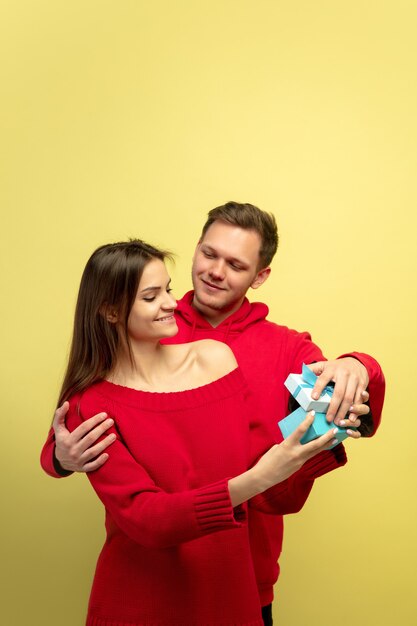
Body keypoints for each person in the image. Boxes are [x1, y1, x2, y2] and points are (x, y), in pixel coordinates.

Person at [41, 202, 385, 626]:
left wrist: (359, 365)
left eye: (236, 264)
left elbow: (324, 420)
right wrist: (61, 457)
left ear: (260, 276)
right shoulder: (145, 330)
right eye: (208, 254)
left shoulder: (281, 349)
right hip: (150, 577)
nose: (215, 272)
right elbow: (77, 427)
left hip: (241, 574)